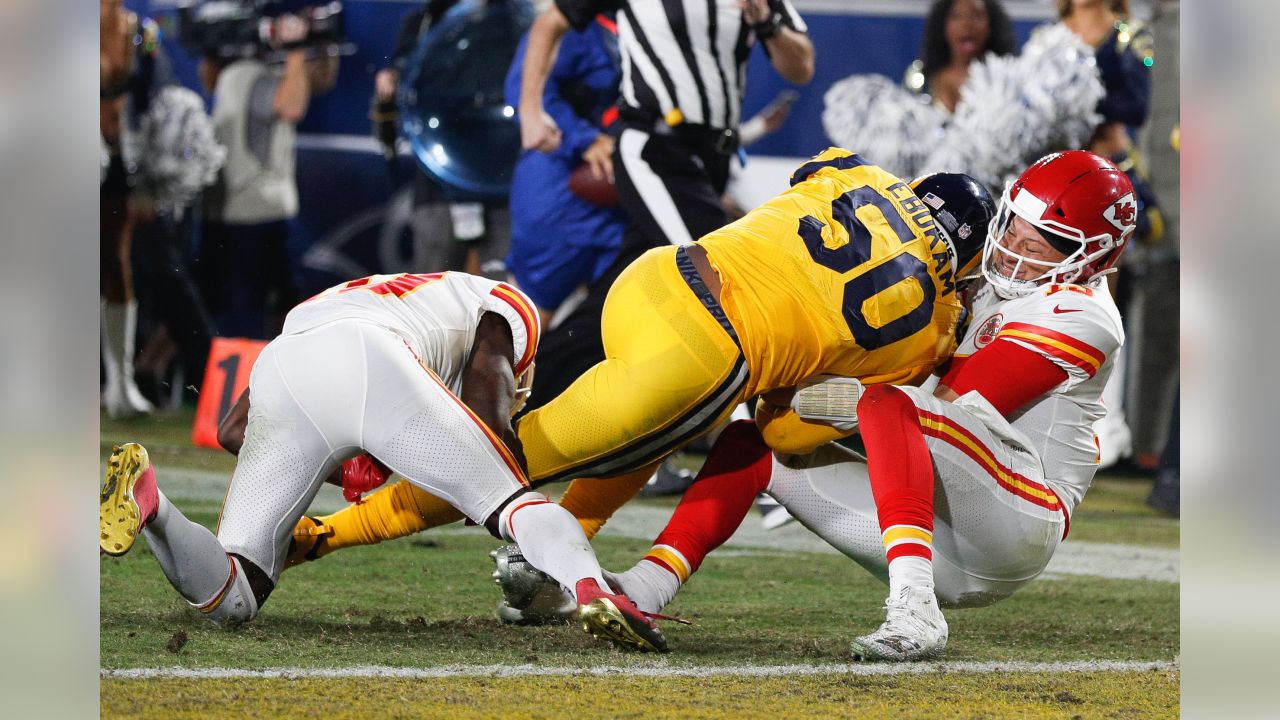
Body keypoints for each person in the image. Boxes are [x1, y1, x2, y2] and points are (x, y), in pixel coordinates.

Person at [280, 149, 997, 616]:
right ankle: (322, 531)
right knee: (511, 461)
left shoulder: (860, 174)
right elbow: (784, 432)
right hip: (702, 352)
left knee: (640, 436)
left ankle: (556, 556)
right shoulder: (926, 331)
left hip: (656, 277)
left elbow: (812, 175)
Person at [605, 150, 1137, 661]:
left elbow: (948, 399)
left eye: (1042, 243)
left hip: (1018, 520)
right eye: (1012, 226)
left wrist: (847, 397)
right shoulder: (983, 279)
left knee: (887, 403)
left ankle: (915, 613)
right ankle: (646, 587)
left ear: (1098, 255)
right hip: (940, 521)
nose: (1013, 250)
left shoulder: (1082, 315)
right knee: (758, 444)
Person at [98, 271, 668, 653]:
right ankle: (597, 592)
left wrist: (355, 458)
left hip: (286, 361)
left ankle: (153, 504)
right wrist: (496, 467)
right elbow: (487, 391)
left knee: (235, 595)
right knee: (515, 500)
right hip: (372, 357)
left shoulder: (366, 294)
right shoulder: (509, 303)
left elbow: (233, 431)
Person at [196, 17, 339, 339]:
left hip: (234, 211)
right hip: (254, 216)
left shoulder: (234, 78)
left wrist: (319, 43)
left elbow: (320, 80)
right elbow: (291, 106)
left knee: (237, 304)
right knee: (257, 313)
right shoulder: (251, 76)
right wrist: (296, 49)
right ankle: (252, 384)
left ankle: (160, 370)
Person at [503, 11, 625, 326]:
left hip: (621, 204)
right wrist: (583, 139)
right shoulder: (573, 22)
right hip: (562, 191)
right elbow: (526, 91)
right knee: (527, 325)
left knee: (615, 323)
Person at [905, 0, 1017, 115]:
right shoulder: (920, 79)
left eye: (976, 16)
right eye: (956, 17)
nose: (966, 25)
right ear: (942, 25)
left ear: (992, 26)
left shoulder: (1006, 84)